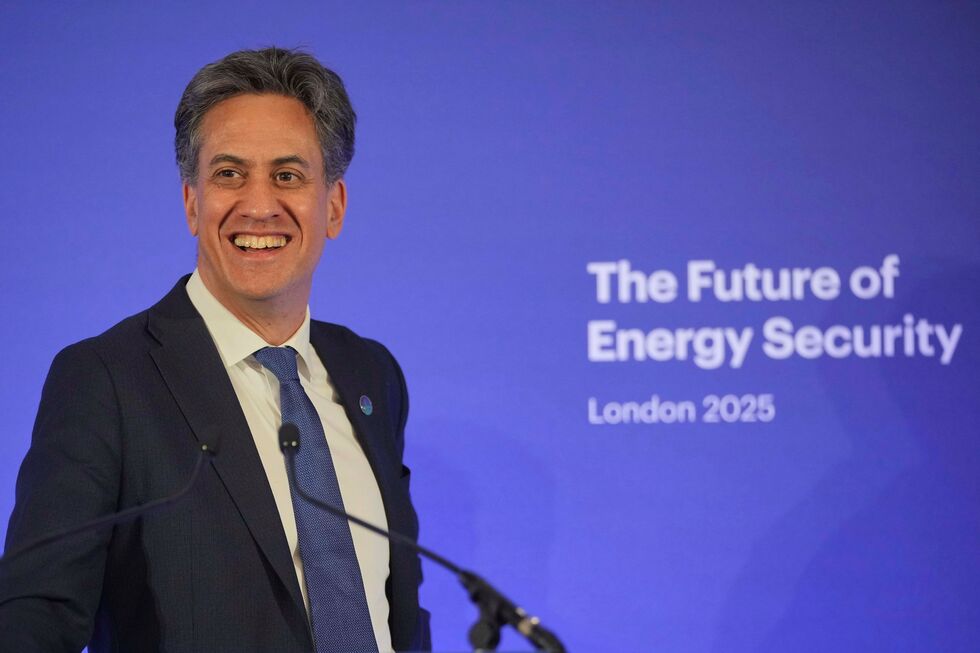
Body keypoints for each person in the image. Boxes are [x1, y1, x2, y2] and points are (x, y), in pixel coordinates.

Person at [0, 47, 430, 652]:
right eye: (229, 174)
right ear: (192, 203)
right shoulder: (107, 380)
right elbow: (36, 615)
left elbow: (396, 607)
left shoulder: (371, 374)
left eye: (288, 176)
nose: (258, 205)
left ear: (333, 206)